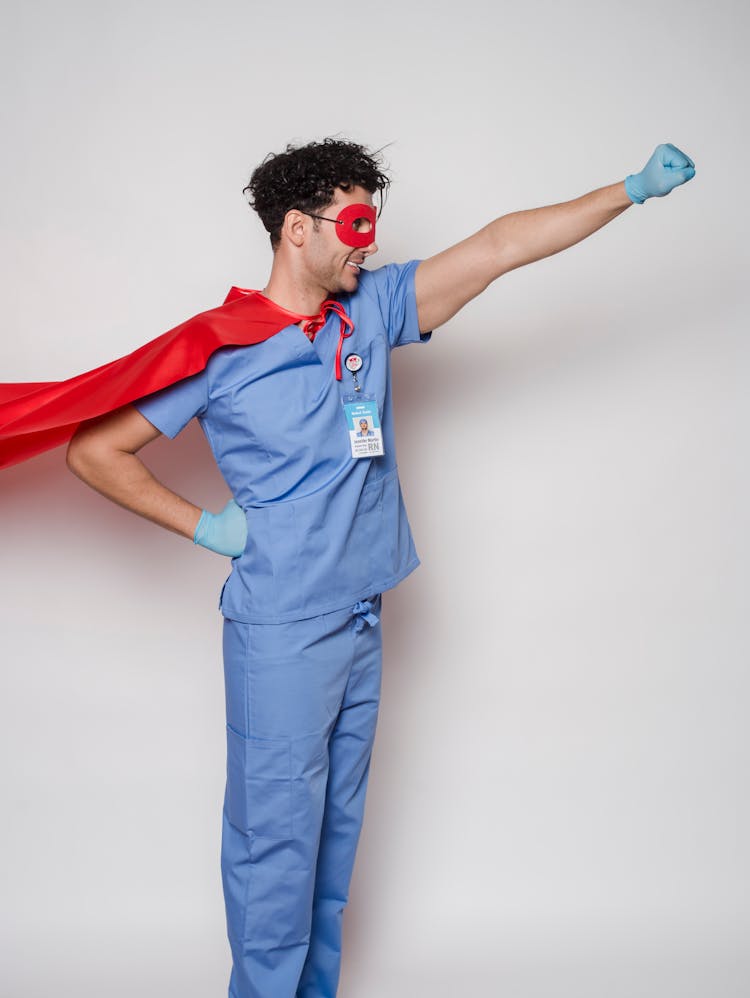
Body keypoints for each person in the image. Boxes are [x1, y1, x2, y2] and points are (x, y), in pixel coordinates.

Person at [63, 137, 696, 998]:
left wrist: (628, 191)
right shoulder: (219, 348)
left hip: (362, 614)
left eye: (375, 223)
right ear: (296, 228)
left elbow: (499, 246)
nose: (369, 243)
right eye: (355, 223)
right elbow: (97, 451)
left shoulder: (373, 310)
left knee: (331, 834)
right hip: (282, 630)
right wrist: (207, 528)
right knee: (274, 842)